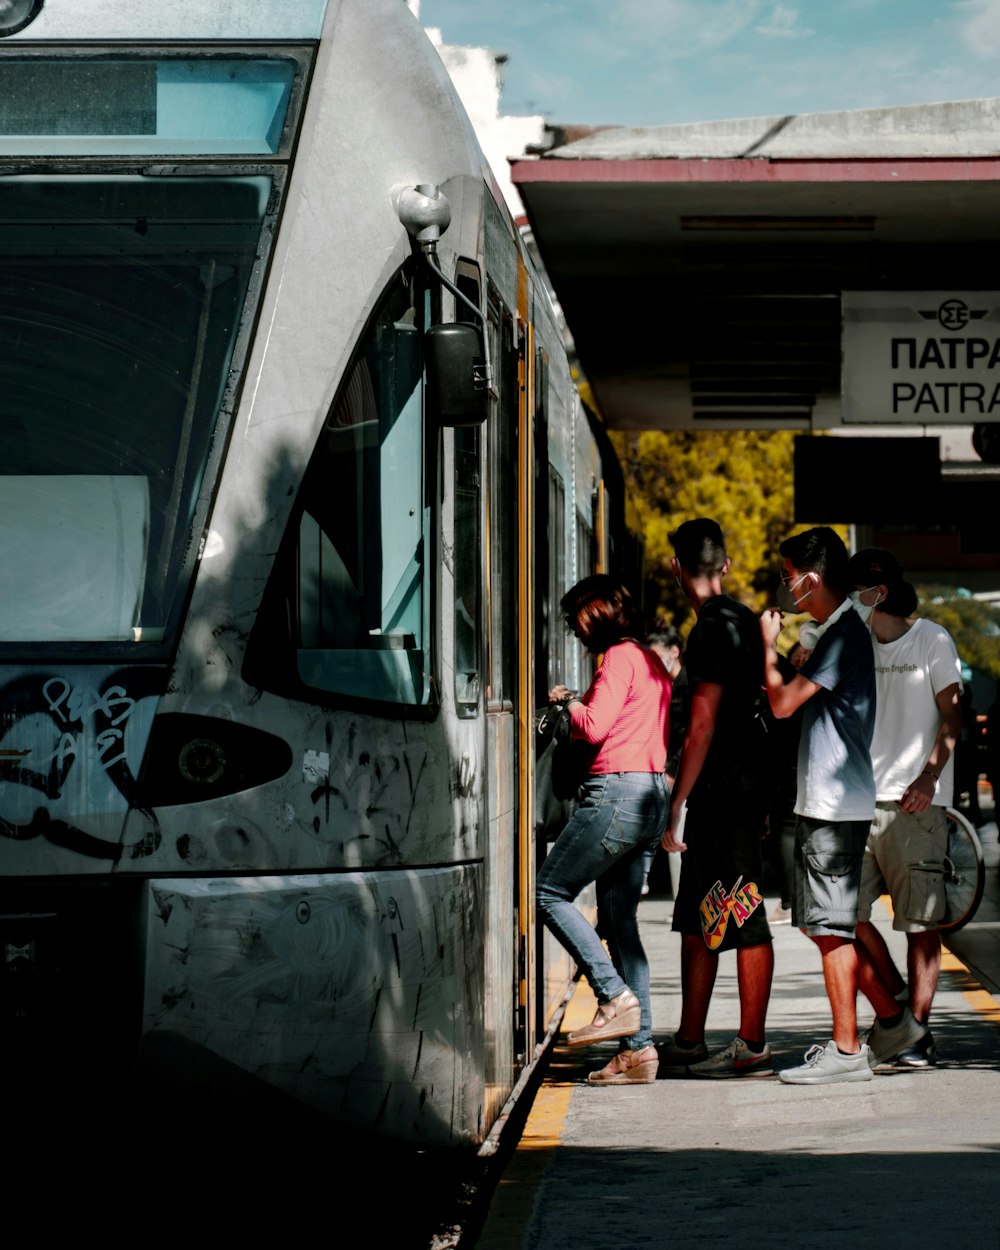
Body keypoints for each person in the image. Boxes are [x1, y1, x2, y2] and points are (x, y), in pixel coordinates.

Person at [761, 527, 927, 1085]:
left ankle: (848, 1050)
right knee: (823, 925)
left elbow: (783, 705)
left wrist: (768, 648)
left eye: (789, 579)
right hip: (830, 800)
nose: (787, 591)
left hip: (834, 804)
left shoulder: (841, 636)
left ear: (810, 578)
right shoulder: (837, 632)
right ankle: (891, 1020)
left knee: (831, 928)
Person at [537, 574, 672, 1085]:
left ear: (597, 615)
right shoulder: (652, 659)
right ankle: (638, 1052)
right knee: (620, 925)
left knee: (549, 892)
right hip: (650, 795)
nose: (575, 631)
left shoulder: (618, 658)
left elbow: (593, 726)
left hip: (615, 795)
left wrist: (567, 700)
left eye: (576, 621)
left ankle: (614, 996)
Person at [659, 518, 775, 1079]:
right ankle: (689, 1038)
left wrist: (677, 802)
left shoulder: (707, 631)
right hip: (744, 790)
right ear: (725, 565)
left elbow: (700, 725)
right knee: (696, 916)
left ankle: (751, 1042)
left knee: (744, 913)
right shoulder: (747, 622)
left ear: (676, 567)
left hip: (720, 796)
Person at [848, 547, 963, 1067]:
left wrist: (930, 776)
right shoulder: (855, 644)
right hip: (858, 804)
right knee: (841, 916)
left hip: (917, 804)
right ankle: (901, 1011)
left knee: (921, 924)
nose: (853, 599)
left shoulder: (932, 638)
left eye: (860, 590)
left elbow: (953, 716)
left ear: (882, 592)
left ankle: (919, 1030)